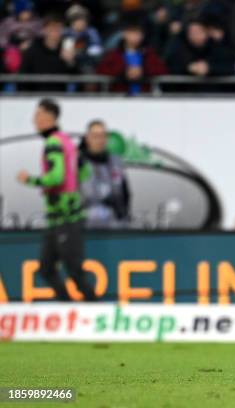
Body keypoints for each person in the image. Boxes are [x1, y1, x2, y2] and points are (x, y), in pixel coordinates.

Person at [16, 99, 97, 301]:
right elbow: (84, 172)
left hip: (65, 216)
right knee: (46, 268)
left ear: (48, 118)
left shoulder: (53, 143)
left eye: (37, 116)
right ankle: (67, 306)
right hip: (59, 217)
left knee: (72, 270)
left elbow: (57, 176)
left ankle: (96, 309)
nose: (34, 121)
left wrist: (31, 180)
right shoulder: (66, 141)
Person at [80, 120, 131, 228]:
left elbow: (125, 193)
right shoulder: (78, 163)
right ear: (88, 138)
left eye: (103, 135)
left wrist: (124, 216)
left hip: (116, 227)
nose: (100, 140)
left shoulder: (117, 162)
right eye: (95, 136)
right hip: (87, 227)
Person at [96, 19, 167, 94]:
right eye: (132, 33)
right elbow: (101, 71)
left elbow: (162, 70)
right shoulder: (114, 54)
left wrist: (144, 71)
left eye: (138, 33)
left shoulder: (149, 53)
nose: (135, 36)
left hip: (145, 98)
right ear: (124, 34)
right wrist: (123, 73)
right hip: (119, 98)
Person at [19, 14, 77, 91]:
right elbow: (22, 78)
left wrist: (70, 62)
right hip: (35, 96)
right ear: (45, 29)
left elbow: (77, 78)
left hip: (60, 97)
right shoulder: (33, 50)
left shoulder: (66, 49)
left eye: (59, 28)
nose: (56, 31)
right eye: (52, 27)